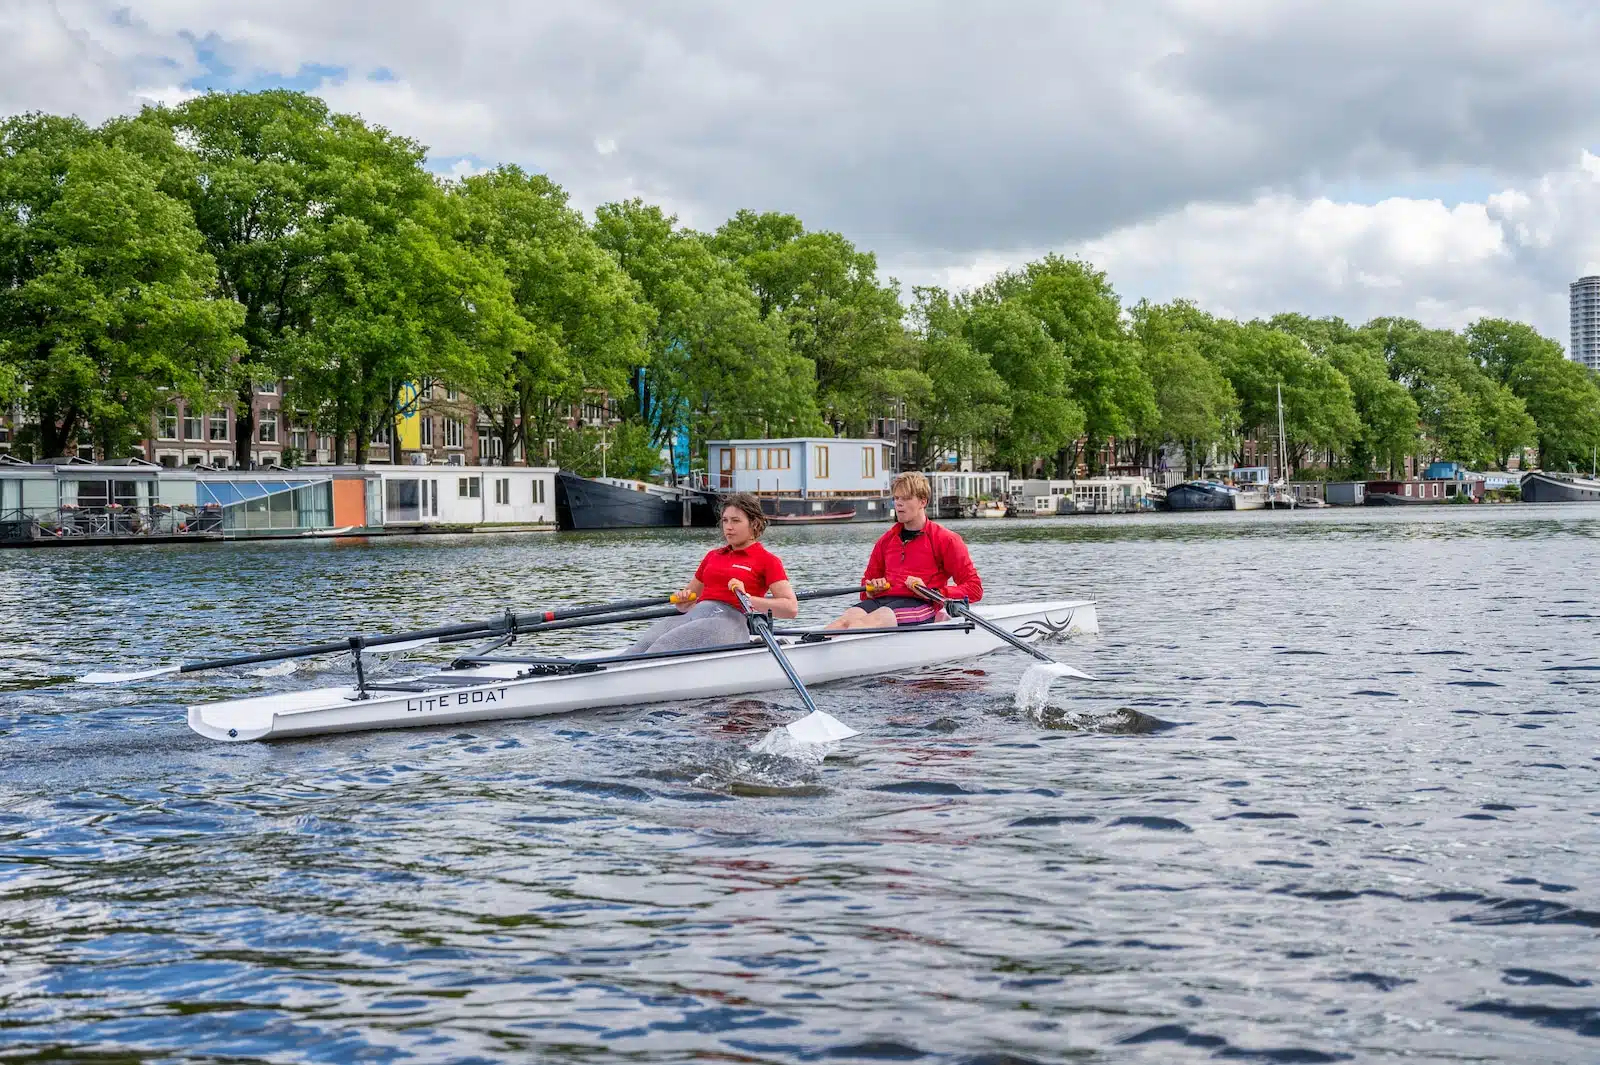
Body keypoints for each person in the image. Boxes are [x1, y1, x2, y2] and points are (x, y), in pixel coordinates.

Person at [627, 492, 798, 654]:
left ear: (754, 523)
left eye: (736, 521)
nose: (729, 527)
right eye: (725, 520)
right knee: (645, 643)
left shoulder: (768, 560)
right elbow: (689, 599)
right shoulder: (713, 556)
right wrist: (683, 602)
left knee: (663, 646)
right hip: (699, 615)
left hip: (730, 622)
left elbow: (790, 608)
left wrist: (749, 600)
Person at [826, 471, 983, 630]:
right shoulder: (885, 541)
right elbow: (865, 588)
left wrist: (934, 591)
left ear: (923, 502)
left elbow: (974, 588)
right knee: (841, 623)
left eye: (906, 498)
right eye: (896, 498)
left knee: (861, 625)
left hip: (922, 604)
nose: (899, 503)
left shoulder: (946, 540)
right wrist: (872, 589)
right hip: (883, 601)